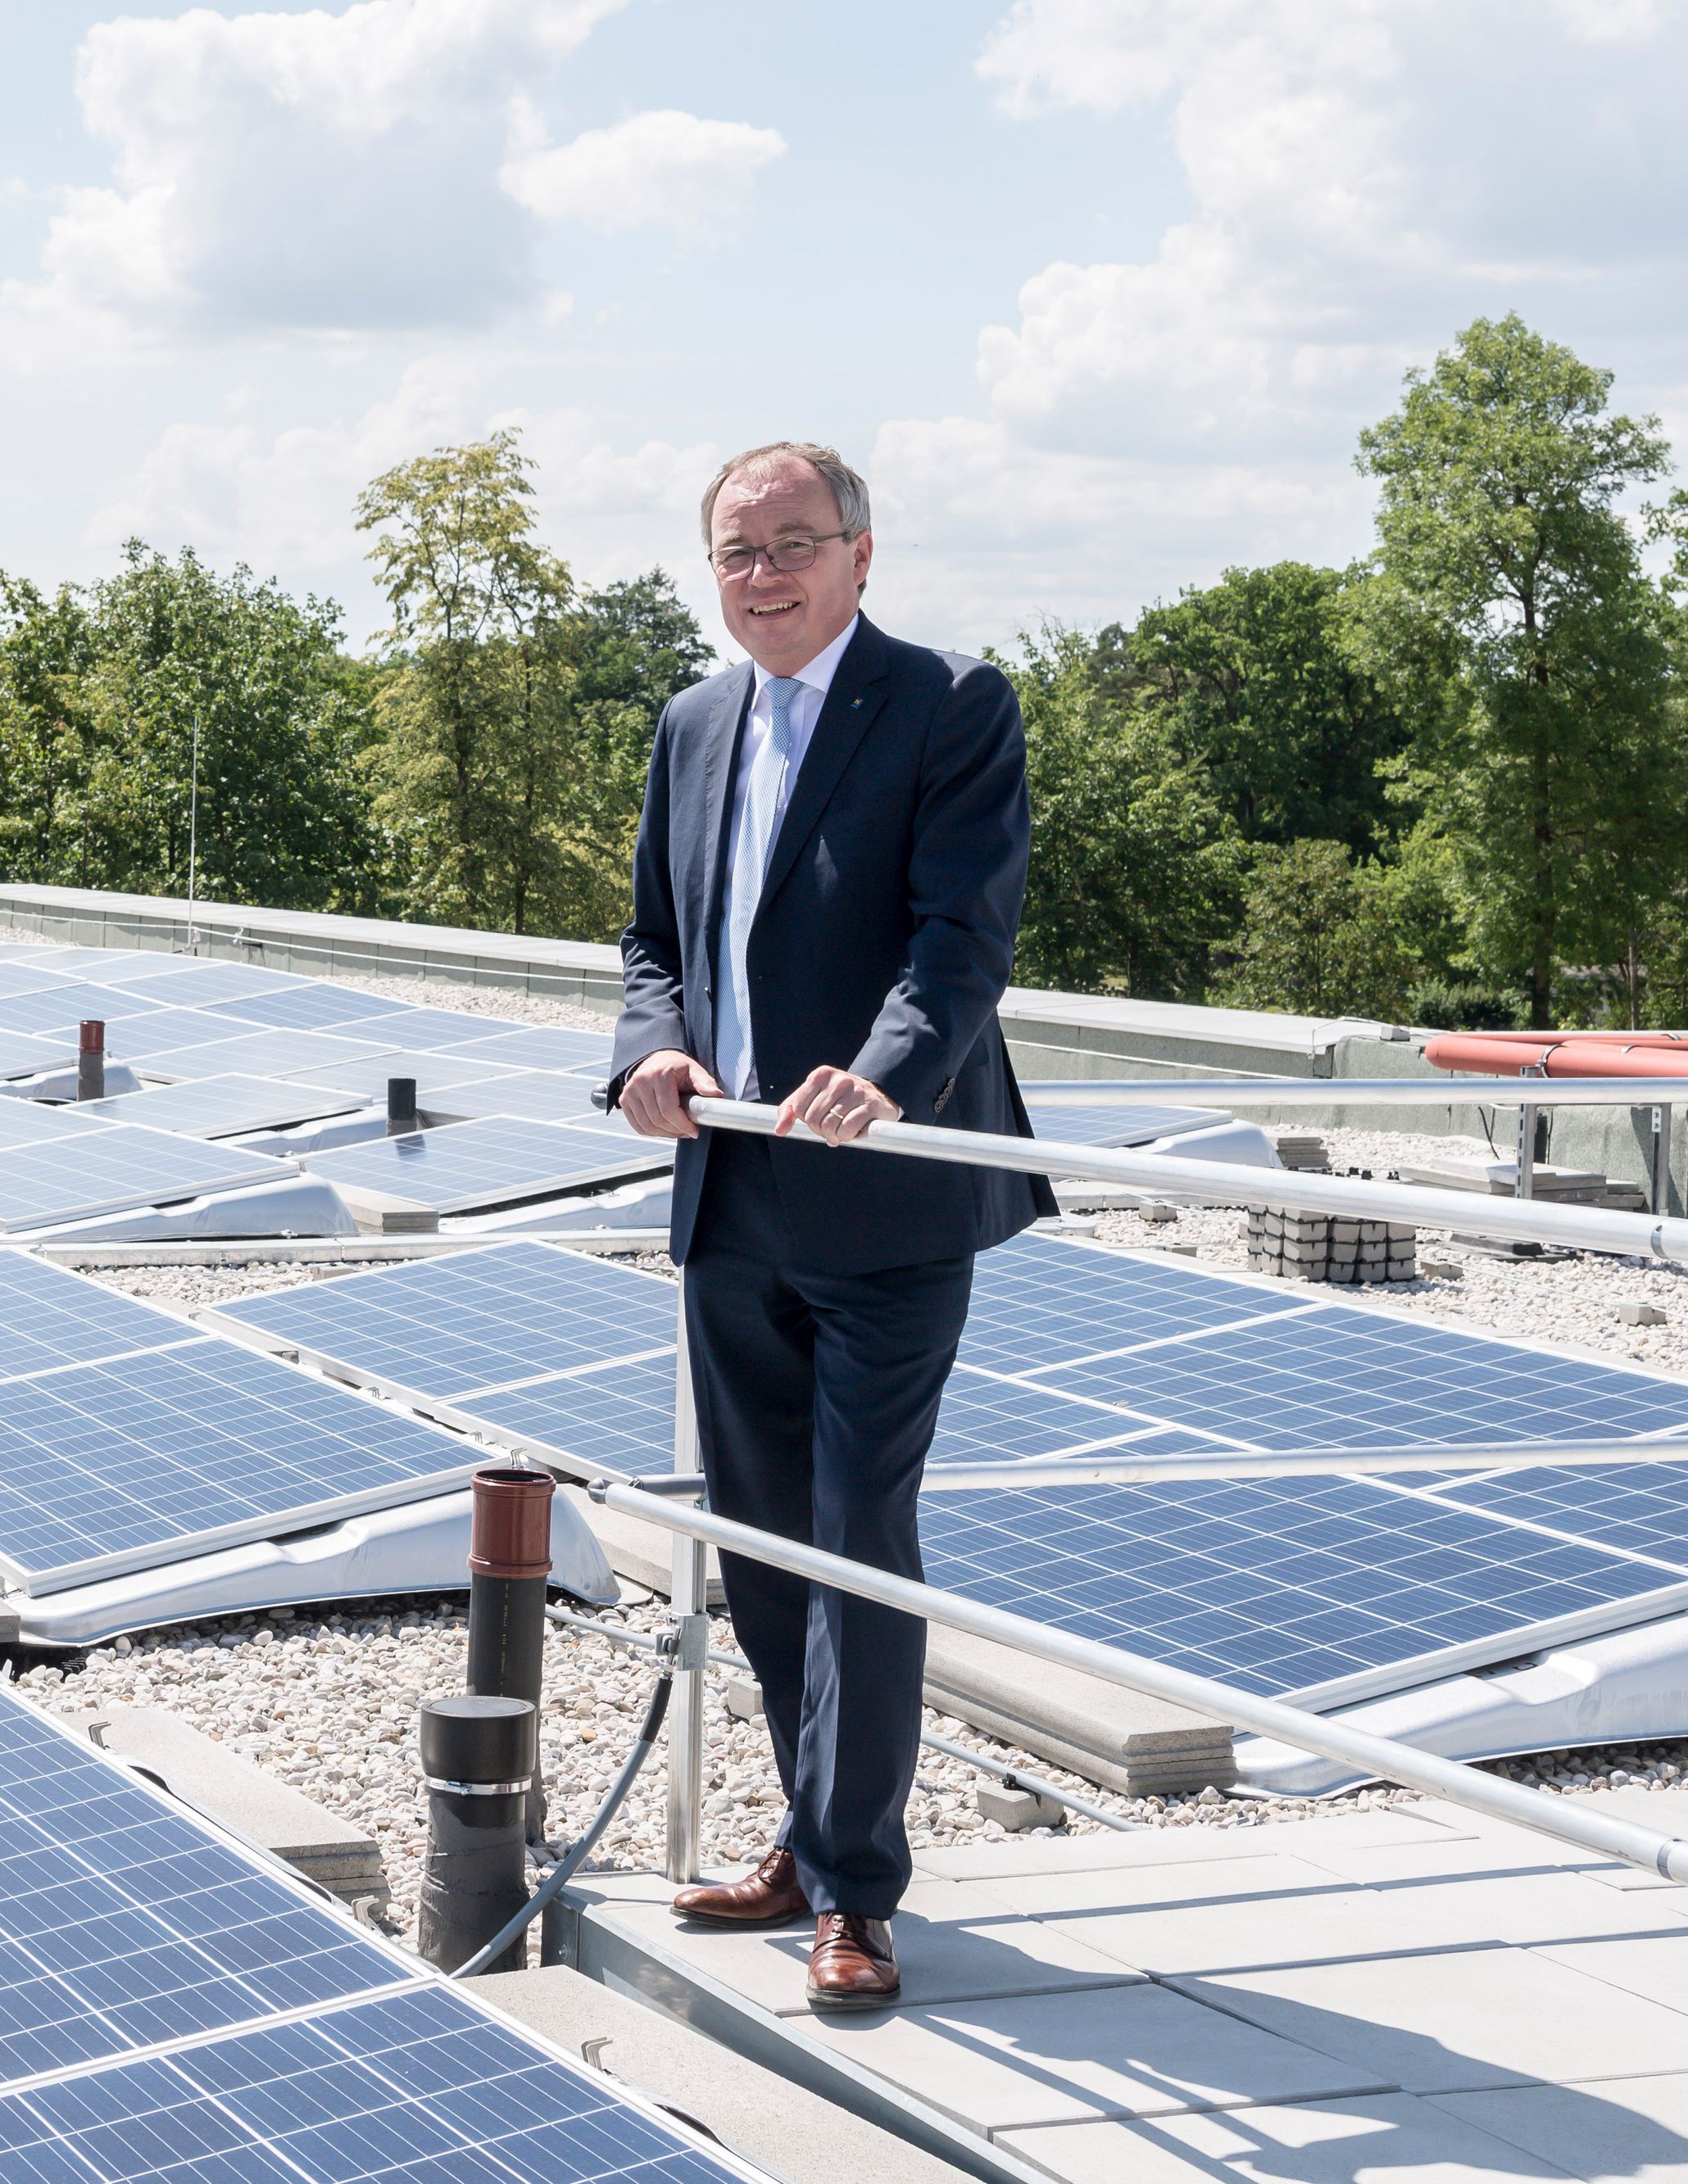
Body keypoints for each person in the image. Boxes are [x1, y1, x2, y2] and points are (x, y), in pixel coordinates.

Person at [606, 440, 1053, 2009]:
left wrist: (878, 1079)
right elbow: (655, 939)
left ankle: (859, 1892)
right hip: (729, 1191)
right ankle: (808, 1836)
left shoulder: (949, 703)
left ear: (863, 553)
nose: (764, 574)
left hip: (889, 1194)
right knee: (765, 1544)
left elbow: (959, 941)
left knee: (860, 1539)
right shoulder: (690, 724)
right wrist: (645, 1053)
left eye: (794, 543)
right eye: (736, 551)